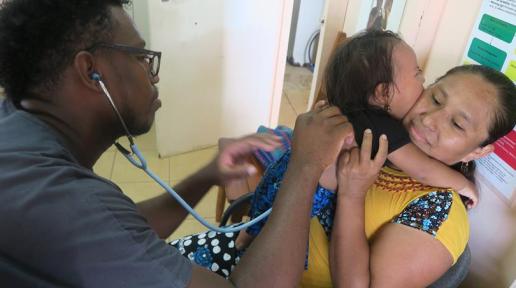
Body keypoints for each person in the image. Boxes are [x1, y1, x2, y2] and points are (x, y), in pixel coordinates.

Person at [0, 0, 357, 287]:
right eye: (141, 57)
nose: (153, 75)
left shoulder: (16, 126)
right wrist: (306, 165)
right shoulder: (68, 205)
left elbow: (123, 228)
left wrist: (207, 175)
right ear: (91, 71)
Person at [172, 63, 515, 287]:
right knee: (143, 263)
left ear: (479, 151)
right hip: (246, 247)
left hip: (263, 276)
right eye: (436, 97)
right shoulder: (383, 137)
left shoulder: (438, 210)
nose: (429, 119)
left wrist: (352, 194)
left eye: (457, 123)